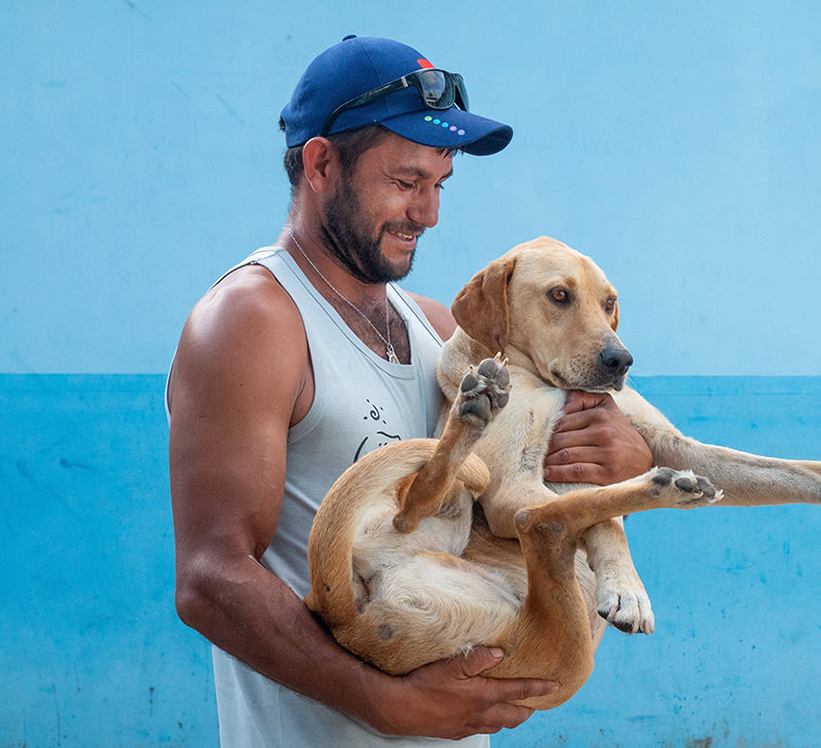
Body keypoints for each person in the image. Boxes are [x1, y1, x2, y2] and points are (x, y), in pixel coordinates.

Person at [167, 35, 653, 747]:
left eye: (438, 185)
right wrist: (377, 700)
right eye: (404, 182)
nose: (428, 214)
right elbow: (210, 577)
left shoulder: (437, 330)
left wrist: (617, 457)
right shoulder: (253, 320)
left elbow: (519, 498)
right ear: (321, 163)